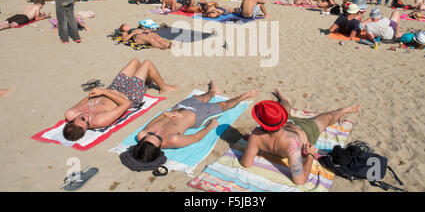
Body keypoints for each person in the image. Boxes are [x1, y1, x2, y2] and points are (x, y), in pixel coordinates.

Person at [240, 88, 360, 185]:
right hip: (305, 130)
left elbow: (246, 163)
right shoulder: (292, 143)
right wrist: (310, 155)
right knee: (328, 118)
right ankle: (343, 110)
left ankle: (283, 99)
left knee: (285, 107)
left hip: (287, 124)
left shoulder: (256, 135)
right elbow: (300, 181)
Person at [63, 59, 178, 142]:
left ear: (72, 120)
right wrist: (104, 92)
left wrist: (99, 92)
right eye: (87, 124)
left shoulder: (71, 113)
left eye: (82, 118)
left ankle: (145, 82)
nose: (87, 118)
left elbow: (85, 100)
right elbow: (126, 104)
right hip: (128, 96)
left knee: (135, 62)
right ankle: (163, 87)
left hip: (112, 89)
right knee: (147, 63)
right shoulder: (99, 120)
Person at [129, 82, 257, 155]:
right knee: (224, 105)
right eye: (157, 137)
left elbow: (149, 126)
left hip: (180, 107)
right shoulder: (173, 140)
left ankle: (212, 92)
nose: (155, 133)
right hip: (198, 115)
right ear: (160, 147)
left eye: (151, 134)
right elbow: (196, 138)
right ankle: (244, 96)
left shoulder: (142, 135)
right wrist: (210, 127)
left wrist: (164, 115)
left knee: (199, 98)